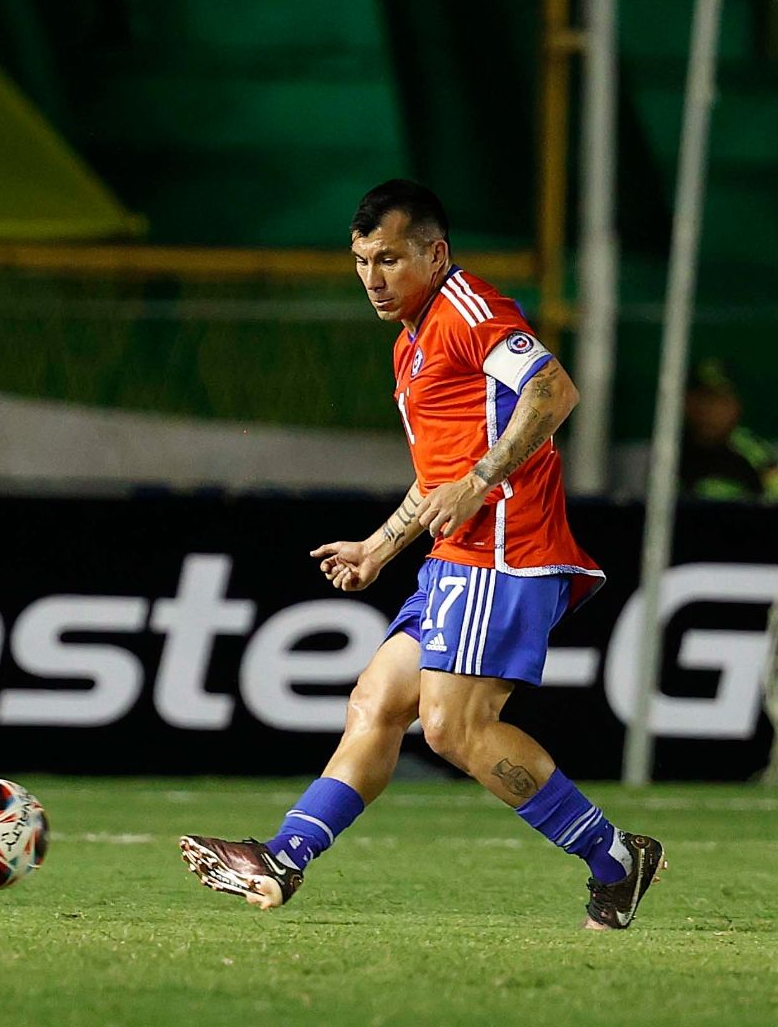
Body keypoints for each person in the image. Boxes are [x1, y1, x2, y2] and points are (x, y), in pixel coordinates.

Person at [180, 180, 665, 930]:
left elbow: (553, 390)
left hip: (505, 553)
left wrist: (479, 482)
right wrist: (381, 546)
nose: (373, 279)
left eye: (391, 260)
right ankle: (283, 857)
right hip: (455, 558)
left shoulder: (469, 311)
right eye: (362, 261)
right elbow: (439, 471)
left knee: (451, 728)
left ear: (435, 254)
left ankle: (615, 858)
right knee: (375, 704)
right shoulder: (412, 340)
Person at [680, 359, 778, 501]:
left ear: (736, 406)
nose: (708, 411)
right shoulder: (671, 450)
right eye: (701, 399)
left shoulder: (753, 450)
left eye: (719, 401)